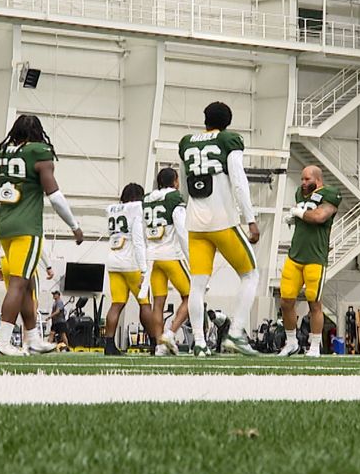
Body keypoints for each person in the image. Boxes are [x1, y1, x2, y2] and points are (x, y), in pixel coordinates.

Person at [0, 114, 83, 356]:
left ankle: (32, 338)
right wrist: (74, 226)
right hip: (27, 229)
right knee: (18, 285)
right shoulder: (38, 153)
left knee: (25, 286)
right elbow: (55, 197)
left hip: (5, 228)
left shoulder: (1, 154)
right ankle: (3, 341)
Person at [178, 102, 261, 357]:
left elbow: (184, 185)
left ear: (205, 119)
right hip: (222, 221)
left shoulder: (186, 143)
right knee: (250, 275)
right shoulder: (228, 140)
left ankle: (199, 342)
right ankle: (235, 332)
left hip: (195, 224)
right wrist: (250, 219)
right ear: (228, 122)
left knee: (197, 285)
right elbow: (239, 181)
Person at [278, 165, 340, 357]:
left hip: (315, 258)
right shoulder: (300, 193)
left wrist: (299, 213)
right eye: (302, 179)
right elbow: (306, 214)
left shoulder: (330, 194)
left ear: (318, 179)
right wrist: (295, 218)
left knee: (314, 303)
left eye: (307, 179)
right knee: (285, 301)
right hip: (295, 255)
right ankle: (291, 342)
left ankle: (314, 346)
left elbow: (319, 217)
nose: (303, 183)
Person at [102, 183, 159, 356]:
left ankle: (109, 344)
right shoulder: (137, 209)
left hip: (113, 261)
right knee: (145, 303)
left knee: (116, 304)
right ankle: (155, 343)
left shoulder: (112, 209)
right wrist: (144, 270)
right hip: (132, 262)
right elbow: (138, 241)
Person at [143, 167, 191, 356]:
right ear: (175, 181)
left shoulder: (147, 199)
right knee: (192, 296)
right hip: (171, 255)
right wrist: (190, 257)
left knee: (158, 304)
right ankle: (170, 334)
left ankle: (159, 345)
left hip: (153, 258)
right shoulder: (174, 198)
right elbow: (182, 230)